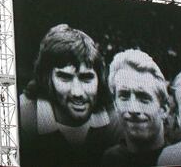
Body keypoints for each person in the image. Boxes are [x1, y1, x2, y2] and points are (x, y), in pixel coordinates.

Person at [18, 24, 119, 166]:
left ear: (99, 79)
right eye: (65, 77)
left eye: (86, 78)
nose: (77, 92)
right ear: (47, 79)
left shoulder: (116, 118)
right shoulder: (21, 117)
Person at [101, 49, 169, 166]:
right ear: (115, 105)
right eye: (124, 96)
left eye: (143, 98)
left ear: (164, 109)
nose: (133, 109)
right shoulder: (109, 161)